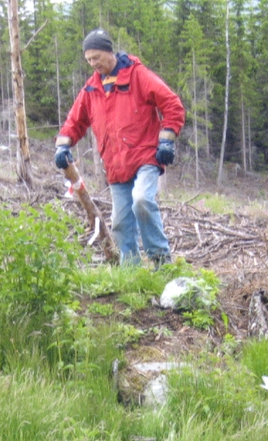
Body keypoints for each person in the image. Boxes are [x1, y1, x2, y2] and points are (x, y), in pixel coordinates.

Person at [54, 29, 186, 266]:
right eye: (89, 60)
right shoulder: (91, 89)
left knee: (142, 201)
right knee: (120, 222)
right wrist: (62, 146)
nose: (94, 63)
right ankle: (130, 273)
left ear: (108, 51)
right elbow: (74, 122)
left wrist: (167, 139)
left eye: (97, 57)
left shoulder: (137, 75)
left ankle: (160, 261)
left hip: (145, 156)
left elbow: (172, 104)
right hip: (116, 165)